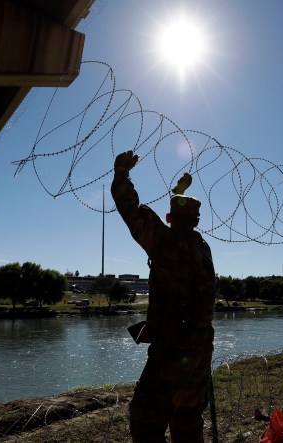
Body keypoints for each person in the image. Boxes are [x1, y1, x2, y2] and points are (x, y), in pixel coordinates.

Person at [112, 150, 217, 442]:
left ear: (169, 218)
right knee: (187, 418)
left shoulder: (165, 243)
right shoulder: (201, 247)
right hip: (200, 347)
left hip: (173, 345)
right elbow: (179, 216)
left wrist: (122, 173)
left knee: (145, 416)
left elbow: (130, 208)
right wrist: (180, 192)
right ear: (196, 221)